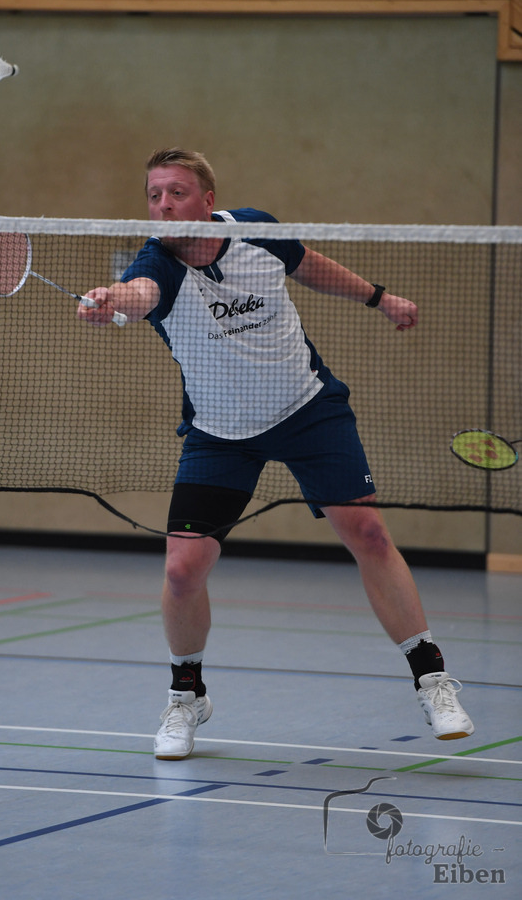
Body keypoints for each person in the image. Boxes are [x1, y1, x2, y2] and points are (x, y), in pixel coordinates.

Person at [78, 147, 474, 759]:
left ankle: (432, 678)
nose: (163, 204)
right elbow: (138, 293)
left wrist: (380, 298)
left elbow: (309, 264)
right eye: (154, 194)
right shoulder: (159, 263)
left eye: (176, 192)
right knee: (182, 571)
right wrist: (109, 300)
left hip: (307, 411)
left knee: (367, 532)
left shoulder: (256, 230)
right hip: (220, 432)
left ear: (208, 200)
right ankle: (187, 695)